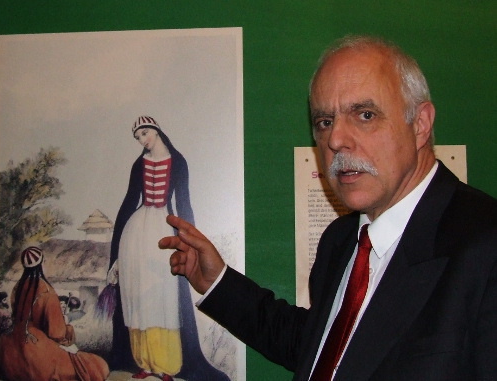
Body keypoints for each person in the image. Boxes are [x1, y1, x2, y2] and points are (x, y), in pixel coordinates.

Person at [158, 35, 497, 380]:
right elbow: (324, 349)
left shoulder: (485, 245)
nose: (335, 140)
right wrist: (218, 282)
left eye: (365, 114)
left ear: (420, 124)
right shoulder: (341, 239)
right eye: (324, 122)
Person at [108, 116, 229, 381]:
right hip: (135, 233)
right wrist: (115, 252)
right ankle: (143, 363)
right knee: (137, 298)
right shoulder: (139, 164)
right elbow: (130, 200)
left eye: (145, 133)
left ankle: (167, 366)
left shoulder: (179, 162)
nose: (142, 140)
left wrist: (192, 241)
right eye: (138, 137)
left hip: (163, 228)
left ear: (156, 130)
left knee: (162, 297)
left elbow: (184, 203)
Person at [0, 246, 109, 381]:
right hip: (37, 350)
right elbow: (56, 333)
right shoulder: (46, 291)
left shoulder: (17, 288)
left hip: (11, 348)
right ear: (41, 264)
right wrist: (69, 330)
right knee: (95, 365)